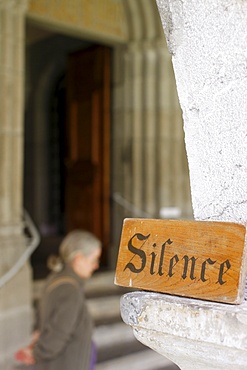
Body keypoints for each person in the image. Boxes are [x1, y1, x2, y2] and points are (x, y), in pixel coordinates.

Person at [15, 230, 102, 370]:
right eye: (94, 260)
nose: (96, 265)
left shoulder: (56, 279)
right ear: (79, 259)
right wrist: (35, 353)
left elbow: (41, 319)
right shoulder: (70, 290)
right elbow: (58, 334)